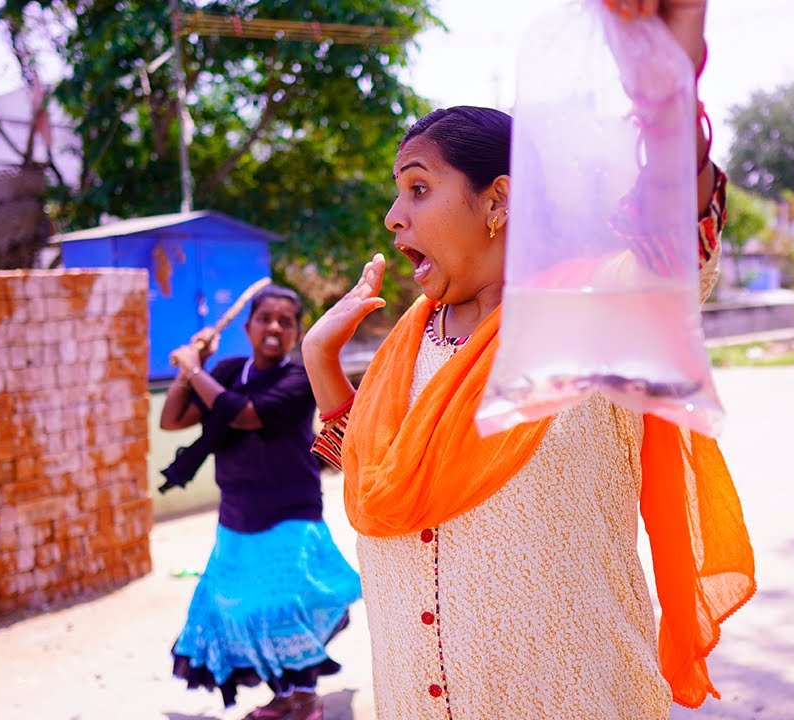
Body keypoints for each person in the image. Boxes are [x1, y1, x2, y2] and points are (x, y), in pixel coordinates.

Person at [301, 2, 754, 717]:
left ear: (499, 201)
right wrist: (321, 364)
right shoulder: (405, 345)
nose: (393, 216)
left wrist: (669, 108)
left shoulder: (590, 310)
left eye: (418, 188)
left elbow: (672, 249)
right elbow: (385, 486)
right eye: (397, 194)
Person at [159, 285, 361, 720]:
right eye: (265, 318)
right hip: (237, 513)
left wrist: (194, 369)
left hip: (290, 510)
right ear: (248, 326)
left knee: (283, 607)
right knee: (241, 612)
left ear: (296, 333)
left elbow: (244, 415)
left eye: (285, 322)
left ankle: (305, 699)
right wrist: (192, 367)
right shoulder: (227, 371)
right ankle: (284, 696)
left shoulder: (299, 379)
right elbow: (172, 419)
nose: (274, 327)